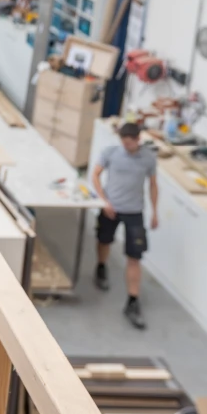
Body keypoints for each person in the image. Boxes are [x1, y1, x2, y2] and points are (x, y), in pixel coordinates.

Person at [93, 119, 159, 329]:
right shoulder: (111, 153)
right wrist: (104, 201)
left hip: (134, 212)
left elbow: (153, 185)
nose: (126, 146)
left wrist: (155, 211)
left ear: (138, 139)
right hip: (111, 208)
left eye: (130, 143)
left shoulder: (148, 158)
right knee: (104, 241)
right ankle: (101, 267)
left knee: (134, 257)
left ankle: (132, 301)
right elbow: (95, 175)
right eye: (124, 142)